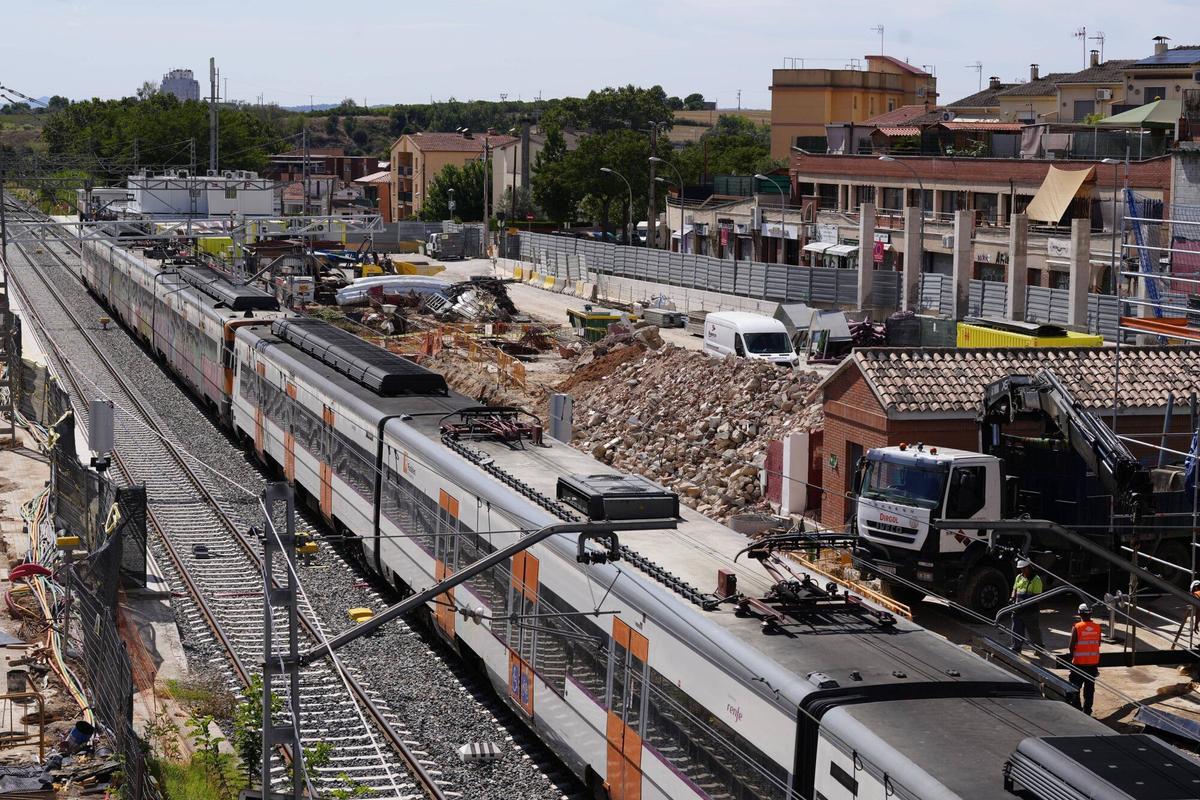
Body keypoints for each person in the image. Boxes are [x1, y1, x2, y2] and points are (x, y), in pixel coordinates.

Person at [1068, 603, 1102, 715]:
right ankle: (1087, 711)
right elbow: (1098, 643)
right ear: (1091, 613)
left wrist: (1072, 658)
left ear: (1079, 613)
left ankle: (1077, 709)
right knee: (1089, 690)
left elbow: (1071, 646)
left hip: (1079, 664)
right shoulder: (1097, 627)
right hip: (1092, 665)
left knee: (1074, 687)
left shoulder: (1077, 627)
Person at [1010, 558, 1044, 652]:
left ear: (1029, 567)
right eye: (1021, 569)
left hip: (1030, 610)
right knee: (1016, 629)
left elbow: (1037, 598)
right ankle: (1016, 647)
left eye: (1024, 568)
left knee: (1033, 630)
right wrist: (1012, 598)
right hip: (1018, 609)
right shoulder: (1019, 577)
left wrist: (1025, 600)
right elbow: (1015, 589)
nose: (1023, 570)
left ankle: (1039, 648)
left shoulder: (1036, 580)